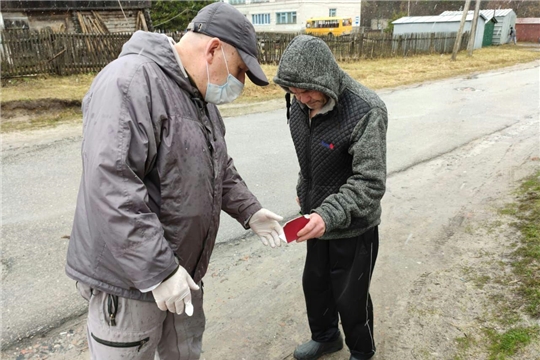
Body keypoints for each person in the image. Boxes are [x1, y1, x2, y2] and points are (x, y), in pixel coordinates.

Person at [65, 3, 285, 359]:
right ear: (213, 49)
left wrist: (250, 210)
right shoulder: (130, 82)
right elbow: (112, 186)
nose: (240, 83)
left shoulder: (200, 97)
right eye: (240, 70)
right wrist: (160, 271)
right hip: (131, 282)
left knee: (184, 352)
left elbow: (219, 167)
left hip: (183, 275)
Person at [274, 35, 388, 360]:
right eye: (293, 91)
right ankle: (326, 337)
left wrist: (328, 214)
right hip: (316, 220)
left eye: (306, 90)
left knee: (351, 297)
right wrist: (304, 189)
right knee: (316, 285)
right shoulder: (299, 102)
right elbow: (311, 157)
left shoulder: (367, 111)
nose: (300, 98)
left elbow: (370, 183)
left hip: (353, 226)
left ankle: (362, 351)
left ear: (324, 78)